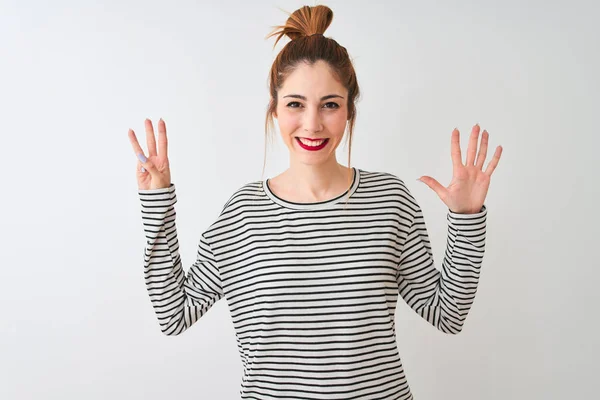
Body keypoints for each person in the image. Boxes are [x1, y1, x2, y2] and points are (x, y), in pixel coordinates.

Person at [127, 5, 502, 399]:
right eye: (295, 104)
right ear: (274, 110)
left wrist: (466, 217)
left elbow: (447, 315)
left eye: (329, 104)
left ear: (349, 112)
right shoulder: (243, 214)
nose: (312, 123)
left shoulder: (389, 201)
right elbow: (174, 315)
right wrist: (157, 203)